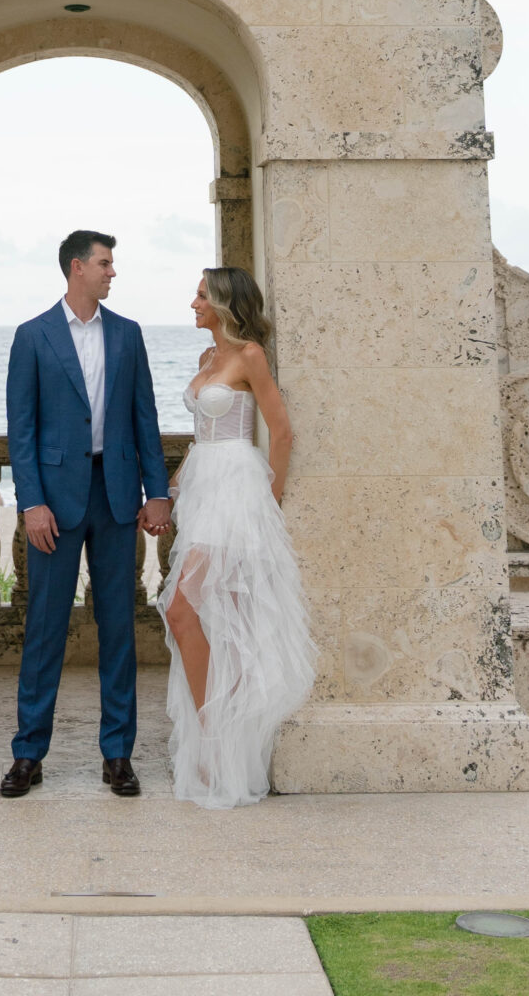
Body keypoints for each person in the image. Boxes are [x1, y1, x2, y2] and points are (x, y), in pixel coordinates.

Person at [1, 229, 171, 799]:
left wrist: (157, 490)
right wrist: (31, 502)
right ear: (77, 268)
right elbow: (20, 431)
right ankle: (28, 754)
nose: (112, 273)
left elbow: (144, 416)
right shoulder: (33, 336)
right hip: (53, 500)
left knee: (118, 627)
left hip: (118, 494)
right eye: (105, 263)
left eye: (112, 264)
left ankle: (118, 754)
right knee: (45, 630)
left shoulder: (128, 334)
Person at [157, 266, 316, 810]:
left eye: (201, 294)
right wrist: (168, 489)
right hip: (203, 490)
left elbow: (282, 430)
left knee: (182, 608)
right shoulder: (207, 360)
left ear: (225, 302)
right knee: (208, 615)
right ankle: (217, 739)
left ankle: (214, 735)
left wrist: (268, 500)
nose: (193, 302)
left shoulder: (249, 356)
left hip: (237, 495)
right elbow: (204, 437)